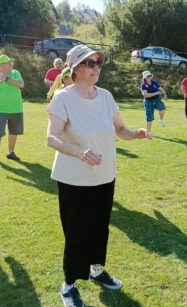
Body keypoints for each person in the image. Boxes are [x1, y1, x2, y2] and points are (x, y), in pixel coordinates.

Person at [46, 44, 151, 307]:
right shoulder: (63, 98)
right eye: (89, 63)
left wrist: (135, 133)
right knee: (76, 231)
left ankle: (96, 269)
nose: (95, 68)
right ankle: (69, 284)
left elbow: (120, 129)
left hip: (104, 176)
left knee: (99, 228)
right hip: (74, 178)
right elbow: (51, 137)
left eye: (97, 63)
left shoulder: (105, 96)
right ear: (75, 69)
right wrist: (79, 151)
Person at [0, 54, 25, 164]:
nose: (11, 64)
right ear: (1, 65)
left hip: (16, 109)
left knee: (13, 133)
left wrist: (6, 78)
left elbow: (21, 84)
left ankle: (11, 153)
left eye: (11, 62)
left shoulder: (15, 73)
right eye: (8, 63)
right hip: (0, 110)